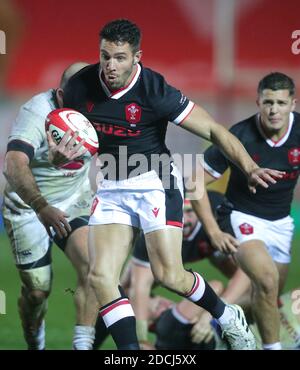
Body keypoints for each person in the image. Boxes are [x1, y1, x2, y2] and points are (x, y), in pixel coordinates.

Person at [61, 19, 284, 350]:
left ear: (137, 56)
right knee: (100, 277)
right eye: (105, 55)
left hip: (156, 183)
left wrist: (249, 166)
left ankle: (226, 314)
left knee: (169, 276)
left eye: (120, 57)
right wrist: (61, 157)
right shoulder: (80, 87)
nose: (110, 65)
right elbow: (65, 147)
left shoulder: (154, 90)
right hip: (111, 184)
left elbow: (213, 131)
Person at [190, 72, 299, 350]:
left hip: (281, 223)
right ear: (258, 102)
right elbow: (195, 183)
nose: (274, 110)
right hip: (241, 218)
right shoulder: (238, 136)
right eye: (268, 102)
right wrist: (213, 231)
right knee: (266, 279)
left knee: (267, 296)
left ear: (293, 104)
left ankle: (223, 333)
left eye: (281, 103)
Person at [2, 62, 99, 350]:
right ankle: (35, 342)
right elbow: (13, 164)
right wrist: (41, 205)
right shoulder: (36, 112)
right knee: (37, 293)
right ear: (59, 95)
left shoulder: (97, 104)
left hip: (73, 200)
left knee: (95, 268)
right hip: (28, 208)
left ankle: (82, 347)